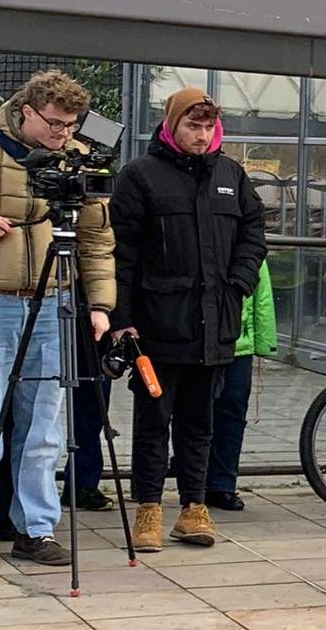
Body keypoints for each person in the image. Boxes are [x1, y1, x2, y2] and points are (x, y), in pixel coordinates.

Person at [113, 88, 267, 552]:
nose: (201, 136)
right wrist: (123, 318)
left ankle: (193, 508)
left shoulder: (231, 175)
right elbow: (120, 254)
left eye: (207, 128)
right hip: (157, 324)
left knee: (201, 422)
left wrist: (238, 283)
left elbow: (254, 233)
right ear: (173, 125)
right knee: (154, 419)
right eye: (192, 127)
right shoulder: (140, 175)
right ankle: (148, 508)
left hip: (214, 324)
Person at [0, 70, 115, 569]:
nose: (64, 133)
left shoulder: (78, 160)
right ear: (27, 111)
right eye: (56, 123)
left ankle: (35, 529)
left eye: (71, 125)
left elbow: (98, 239)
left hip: (53, 300)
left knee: (45, 426)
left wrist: (101, 306)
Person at [206, 260, 274, 513]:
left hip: (239, 344)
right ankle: (195, 482)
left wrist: (263, 342)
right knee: (196, 413)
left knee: (232, 415)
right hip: (200, 342)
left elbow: (262, 294)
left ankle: (222, 484)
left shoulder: (247, 238)